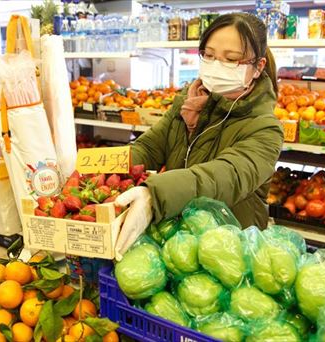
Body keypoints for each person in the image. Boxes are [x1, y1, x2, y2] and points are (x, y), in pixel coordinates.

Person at [114, 13, 283, 258]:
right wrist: (97, 169)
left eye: (231, 59)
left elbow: (224, 177)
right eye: (209, 55)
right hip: (176, 241)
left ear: (258, 67)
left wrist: (155, 195)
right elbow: (149, 148)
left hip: (230, 251)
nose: (216, 65)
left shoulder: (265, 128)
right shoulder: (188, 103)